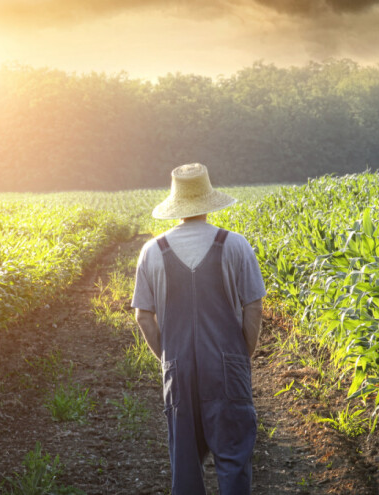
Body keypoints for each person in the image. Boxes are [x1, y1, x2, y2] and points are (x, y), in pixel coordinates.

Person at [131, 163, 265, 494]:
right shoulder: (235, 245)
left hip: (178, 367)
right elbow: (254, 306)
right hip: (227, 365)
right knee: (234, 457)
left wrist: (166, 356)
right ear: (208, 201)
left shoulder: (152, 251)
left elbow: (143, 316)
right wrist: (241, 355)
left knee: (185, 464)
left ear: (176, 206)